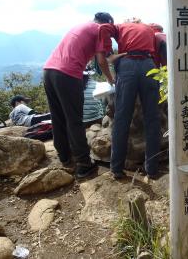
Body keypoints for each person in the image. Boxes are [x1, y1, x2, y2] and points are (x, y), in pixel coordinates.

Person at [43, 12, 125, 179]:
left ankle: (65, 158)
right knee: (74, 119)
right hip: (68, 74)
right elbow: (103, 61)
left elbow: (108, 57)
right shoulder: (101, 29)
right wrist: (111, 80)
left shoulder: (82, 26)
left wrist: (119, 56)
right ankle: (83, 164)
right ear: (108, 23)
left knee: (57, 117)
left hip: (48, 71)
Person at [99, 20, 161, 180]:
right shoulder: (148, 28)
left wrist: (108, 54)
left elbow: (103, 28)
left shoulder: (120, 26)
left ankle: (117, 169)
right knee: (152, 119)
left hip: (128, 65)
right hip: (149, 65)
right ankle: (152, 169)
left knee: (122, 118)